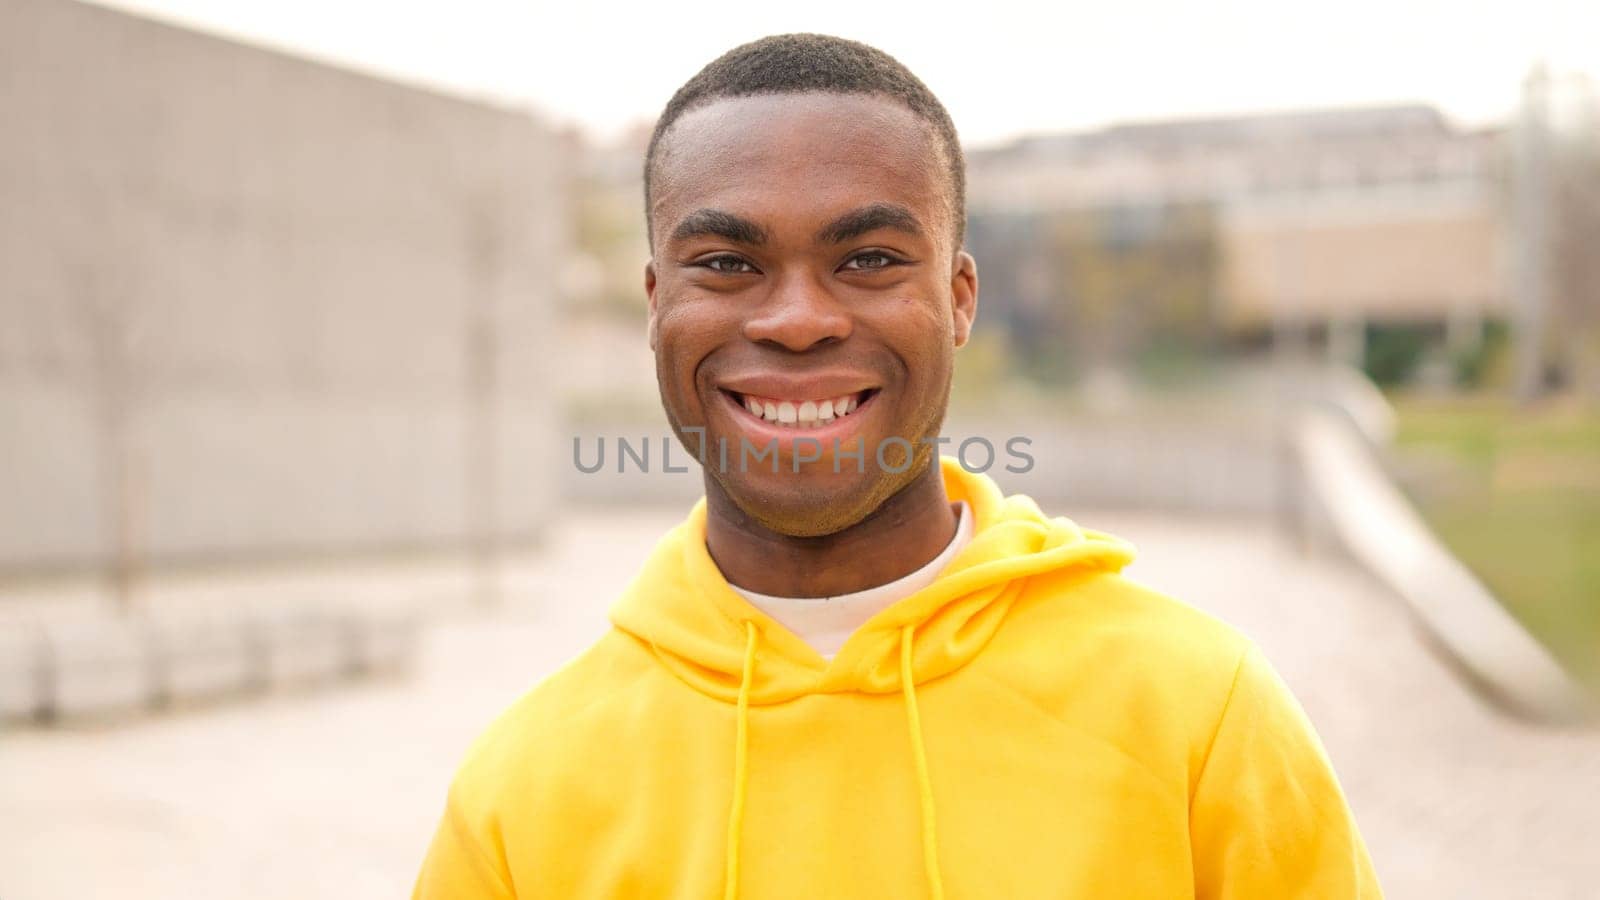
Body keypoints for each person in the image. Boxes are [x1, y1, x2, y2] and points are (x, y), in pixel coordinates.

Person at [413, 33, 1382, 899]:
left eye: (869, 259)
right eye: (726, 263)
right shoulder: (521, 795)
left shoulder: (1197, 717)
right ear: (657, 301)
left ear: (960, 298)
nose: (796, 320)